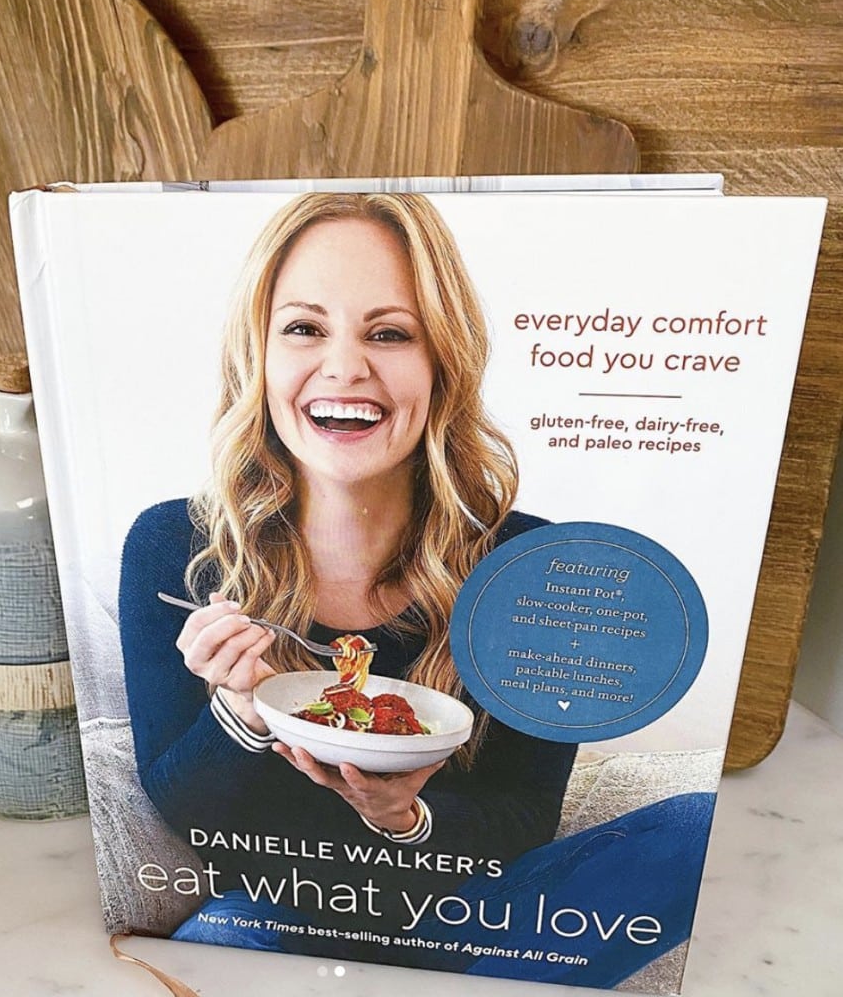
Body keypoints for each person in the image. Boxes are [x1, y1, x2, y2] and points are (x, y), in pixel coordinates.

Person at [119, 193, 713, 985]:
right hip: (285, 918)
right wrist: (238, 710)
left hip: (481, 916)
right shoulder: (179, 548)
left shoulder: (535, 565)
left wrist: (403, 817)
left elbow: (524, 817)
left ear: (442, 364)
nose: (343, 367)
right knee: (227, 933)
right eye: (303, 328)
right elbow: (188, 819)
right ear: (256, 355)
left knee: (698, 826)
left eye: (389, 333)